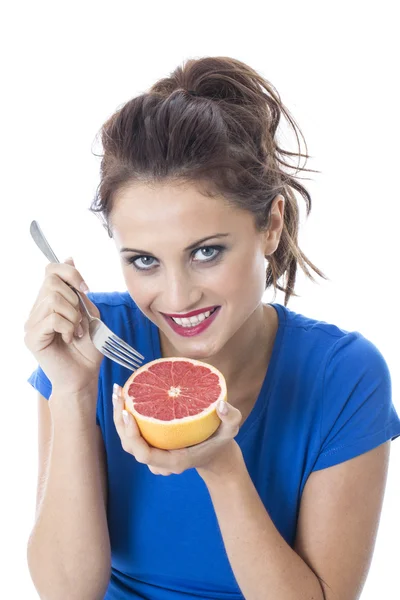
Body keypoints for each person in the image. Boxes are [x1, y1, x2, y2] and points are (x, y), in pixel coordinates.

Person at [25, 56, 400, 600]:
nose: (177, 299)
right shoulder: (90, 342)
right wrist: (72, 391)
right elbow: (66, 592)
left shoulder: (341, 376)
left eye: (206, 252)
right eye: (144, 261)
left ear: (270, 226)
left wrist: (223, 469)